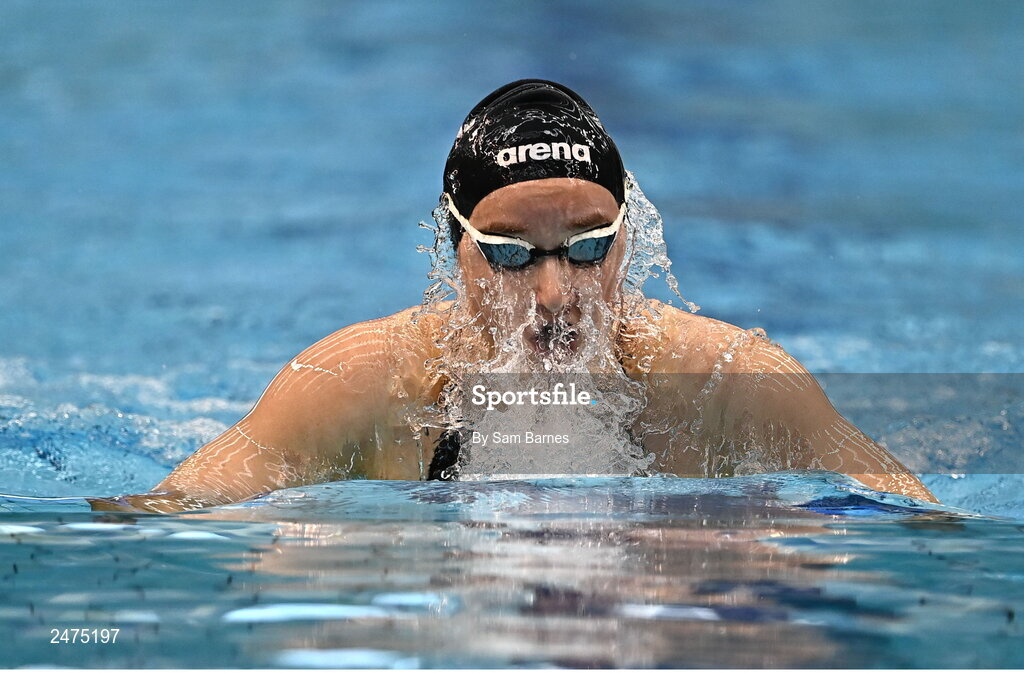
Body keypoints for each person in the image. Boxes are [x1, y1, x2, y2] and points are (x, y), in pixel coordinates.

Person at [90, 80, 935, 513]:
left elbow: (927, 535)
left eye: (590, 246)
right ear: (451, 250)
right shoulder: (357, 389)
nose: (554, 292)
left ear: (628, 239)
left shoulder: (725, 388)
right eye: (506, 255)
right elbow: (162, 524)